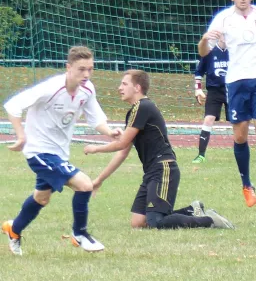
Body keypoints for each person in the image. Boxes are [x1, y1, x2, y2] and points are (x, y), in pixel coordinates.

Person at [2, 46, 122, 255]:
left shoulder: (87, 90)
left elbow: (95, 118)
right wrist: (21, 136)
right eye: (81, 69)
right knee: (84, 185)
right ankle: (80, 233)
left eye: (90, 70)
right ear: (68, 67)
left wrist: (109, 132)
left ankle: (13, 229)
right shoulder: (50, 88)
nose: (86, 74)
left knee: (41, 199)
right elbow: (13, 106)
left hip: (59, 153)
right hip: (39, 152)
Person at [84, 69, 234, 230]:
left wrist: (95, 148)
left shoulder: (142, 107)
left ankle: (209, 221)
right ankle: (192, 210)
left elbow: (121, 144)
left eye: (124, 83)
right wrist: (99, 179)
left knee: (156, 222)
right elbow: (123, 151)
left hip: (163, 168)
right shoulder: (135, 110)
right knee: (138, 223)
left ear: (137, 88)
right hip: (153, 171)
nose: (119, 88)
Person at [198, 0, 256, 211]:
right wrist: (205, 39)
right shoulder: (222, 19)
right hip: (235, 82)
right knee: (240, 136)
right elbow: (204, 51)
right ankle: (247, 185)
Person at [193, 40, 229, 164]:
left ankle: (241, 152)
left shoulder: (235, 50)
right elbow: (199, 72)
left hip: (232, 90)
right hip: (214, 91)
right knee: (208, 119)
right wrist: (198, 89)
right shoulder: (209, 52)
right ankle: (201, 155)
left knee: (238, 123)